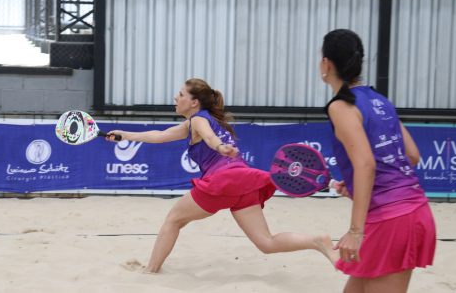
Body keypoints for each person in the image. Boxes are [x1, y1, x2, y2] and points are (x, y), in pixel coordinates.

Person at [106, 78, 339, 273]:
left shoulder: (198, 119)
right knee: (266, 242)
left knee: (173, 220)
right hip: (246, 183)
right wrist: (123, 134)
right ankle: (317, 241)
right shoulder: (208, 122)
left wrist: (219, 147)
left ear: (194, 102)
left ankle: (150, 271)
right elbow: (158, 135)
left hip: (222, 183)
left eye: (181, 95)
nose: (176, 98)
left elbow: (208, 137)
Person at [321, 29, 436, 292]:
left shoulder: (340, 106)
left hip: (392, 220)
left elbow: (366, 165)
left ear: (326, 63)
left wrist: (355, 230)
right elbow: (412, 156)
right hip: (410, 212)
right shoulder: (381, 101)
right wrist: (358, 187)